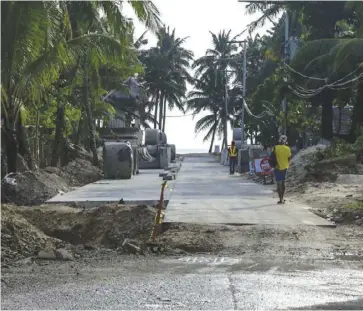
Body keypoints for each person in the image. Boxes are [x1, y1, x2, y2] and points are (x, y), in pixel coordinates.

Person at [273, 135, 291, 204]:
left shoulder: (275, 148)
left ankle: (280, 199)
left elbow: (272, 157)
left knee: (278, 183)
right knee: (283, 183)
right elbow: (289, 158)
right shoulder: (287, 148)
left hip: (277, 167)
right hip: (285, 167)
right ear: (285, 141)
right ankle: (282, 199)